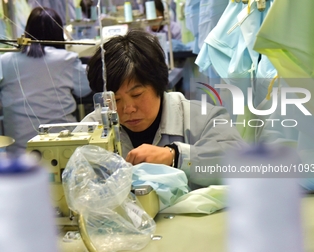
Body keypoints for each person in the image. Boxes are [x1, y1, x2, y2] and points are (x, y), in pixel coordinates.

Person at [78, 30, 246, 189]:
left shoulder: (203, 118)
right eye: (115, 100)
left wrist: (176, 156)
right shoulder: (93, 128)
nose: (128, 109)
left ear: (159, 85)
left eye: (136, 94)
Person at [0, 7, 92, 154]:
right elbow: (87, 87)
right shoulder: (65, 59)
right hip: (63, 149)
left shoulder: (4, 61)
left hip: (19, 154)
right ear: (58, 33)